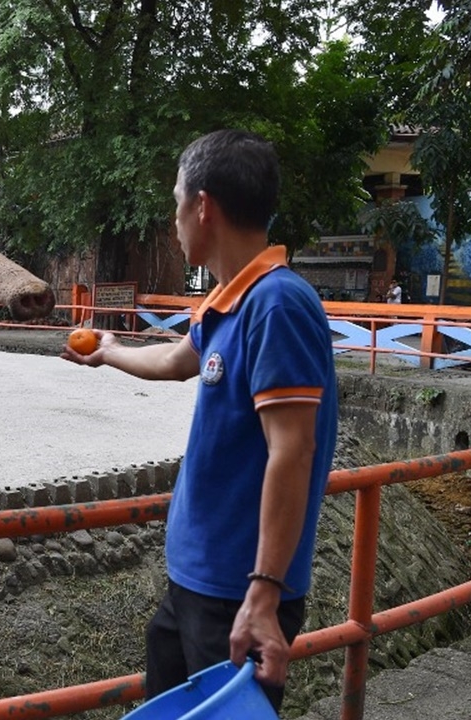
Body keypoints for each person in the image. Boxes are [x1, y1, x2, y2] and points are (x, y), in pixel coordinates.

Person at [62, 129, 338, 712]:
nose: (175, 219)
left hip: (240, 595)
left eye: (175, 202)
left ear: (203, 206)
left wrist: (263, 594)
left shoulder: (277, 305)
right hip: (195, 580)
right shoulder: (223, 302)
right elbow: (174, 359)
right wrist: (107, 351)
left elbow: (294, 450)